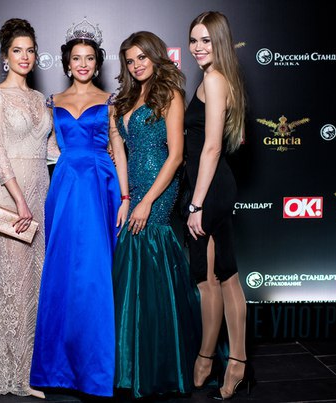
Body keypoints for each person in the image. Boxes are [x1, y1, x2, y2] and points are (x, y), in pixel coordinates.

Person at [30, 18, 129, 397]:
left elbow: (118, 149)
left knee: (94, 273)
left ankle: (97, 372)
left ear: (97, 63)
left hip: (100, 185)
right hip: (66, 185)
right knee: (63, 271)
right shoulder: (52, 101)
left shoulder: (111, 101)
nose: (83, 64)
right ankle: (58, 370)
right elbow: (42, 147)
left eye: (89, 58)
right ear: (67, 64)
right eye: (76, 58)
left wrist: (125, 197)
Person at [112, 31, 201, 399]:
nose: (136, 65)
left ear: (155, 56)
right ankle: (131, 363)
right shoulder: (127, 97)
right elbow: (120, 150)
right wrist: (126, 197)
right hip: (134, 188)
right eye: (130, 61)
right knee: (132, 266)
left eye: (142, 57)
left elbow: (176, 155)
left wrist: (148, 201)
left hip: (159, 189)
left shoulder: (170, 95)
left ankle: (162, 363)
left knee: (152, 258)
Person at [184, 11, 254, 400]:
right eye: (194, 40)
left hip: (209, 190)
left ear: (220, 42)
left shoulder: (213, 79)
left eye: (206, 40)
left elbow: (211, 147)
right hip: (211, 186)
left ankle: (233, 362)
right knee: (218, 277)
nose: (198, 47)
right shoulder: (217, 77)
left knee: (222, 277)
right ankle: (211, 359)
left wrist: (195, 206)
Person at [0, 18, 52, 399]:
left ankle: (32, 370)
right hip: (11, 198)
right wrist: (21, 201)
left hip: (41, 193)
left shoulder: (42, 99)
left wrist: (92, 151)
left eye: (30, 50)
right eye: (17, 51)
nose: (24, 57)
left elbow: (50, 150)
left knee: (36, 287)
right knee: (13, 287)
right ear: (5, 57)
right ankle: (14, 376)